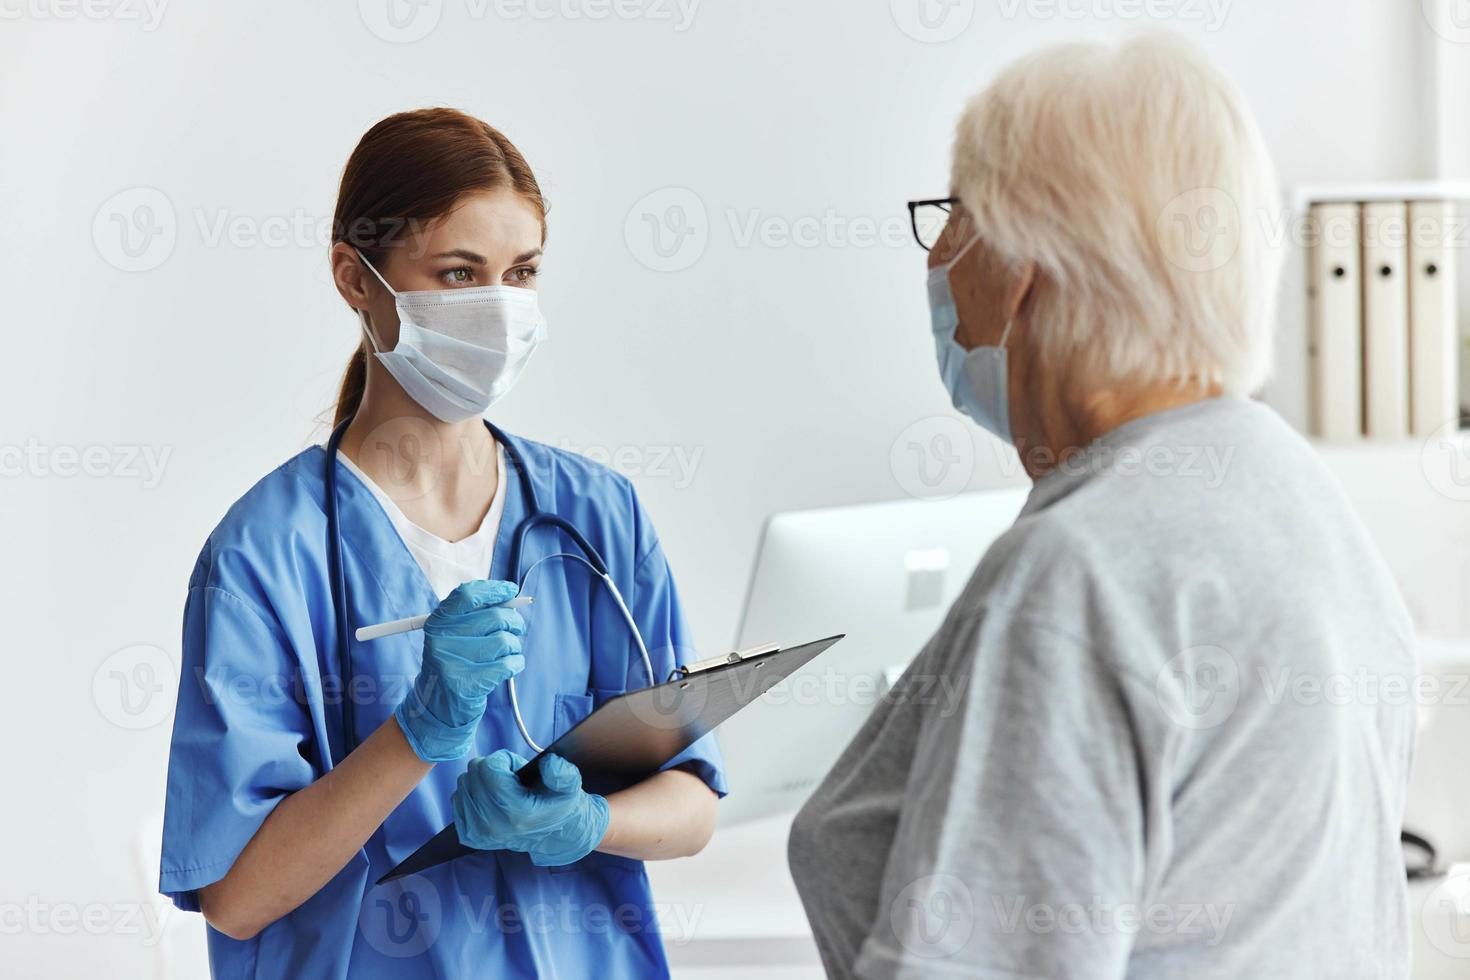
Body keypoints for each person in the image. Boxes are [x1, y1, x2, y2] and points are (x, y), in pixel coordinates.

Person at [788, 36, 1416, 979]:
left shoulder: (1082, 571)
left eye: (951, 215)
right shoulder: (1287, 484)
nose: (934, 255)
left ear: (1019, 265)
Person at [159, 108, 725, 978]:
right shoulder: (263, 557)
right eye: (459, 274)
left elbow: (690, 801)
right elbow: (237, 897)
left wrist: (585, 824)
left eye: (522, 272)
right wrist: (418, 731)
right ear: (355, 278)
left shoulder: (595, 515)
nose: (499, 309)